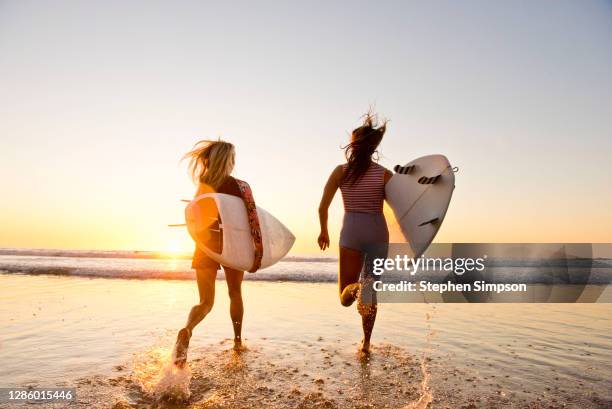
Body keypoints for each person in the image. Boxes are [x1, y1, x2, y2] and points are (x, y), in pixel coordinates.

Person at [174, 139, 260, 367]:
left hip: (206, 246)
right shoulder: (241, 186)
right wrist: (257, 253)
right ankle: (238, 341)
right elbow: (252, 221)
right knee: (235, 293)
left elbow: (196, 218)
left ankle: (188, 329)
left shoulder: (203, 184)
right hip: (232, 245)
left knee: (205, 302)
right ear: (229, 160)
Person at [317, 112, 392, 354]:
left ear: (353, 145)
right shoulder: (384, 174)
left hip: (352, 231)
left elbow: (323, 206)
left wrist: (323, 231)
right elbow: (405, 208)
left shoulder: (341, 171)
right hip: (379, 233)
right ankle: (367, 343)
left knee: (345, 296)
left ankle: (356, 288)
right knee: (371, 292)